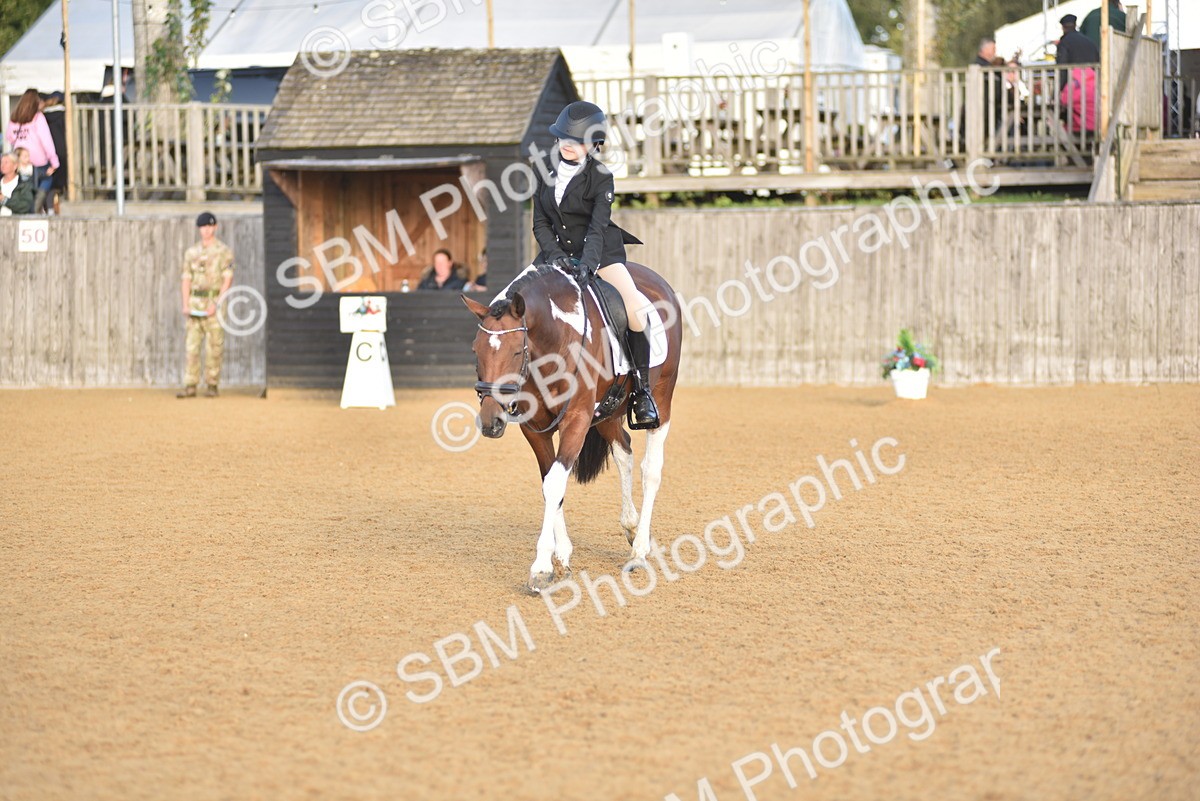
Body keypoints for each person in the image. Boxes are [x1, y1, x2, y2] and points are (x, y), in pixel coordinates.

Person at [530, 101, 658, 429]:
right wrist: (556, 256)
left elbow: (597, 228)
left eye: (579, 140)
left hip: (600, 256)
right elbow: (540, 221)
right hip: (553, 254)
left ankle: (642, 392)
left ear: (594, 144)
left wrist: (587, 265)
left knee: (634, 310)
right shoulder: (541, 168)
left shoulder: (601, 178)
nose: (569, 144)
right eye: (564, 138)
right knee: (510, 303)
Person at [177, 212, 235, 398]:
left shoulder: (223, 251)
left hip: (213, 303)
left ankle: (212, 385)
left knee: (214, 347)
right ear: (199, 229)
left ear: (215, 227)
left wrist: (216, 304)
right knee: (191, 346)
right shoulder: (191, 252)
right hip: (195, 303)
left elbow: (228, 279)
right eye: (203, 227)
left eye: (209, 226)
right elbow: (186, 279)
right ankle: (190, 384)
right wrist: (185, 303)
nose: (206, 230)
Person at [5, 89, 59, 216]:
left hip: (21, 160)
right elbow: (46, 141)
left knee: (25, 188)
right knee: (47, 179)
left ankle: (28, 209)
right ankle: (36, 206)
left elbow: (9, 137)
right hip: (39, 160)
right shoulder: (37, 117)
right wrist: (54, 162)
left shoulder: (14, 117)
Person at [41, 92, 67, 214]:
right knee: (59, 186)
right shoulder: (64, 115)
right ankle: (53, 208)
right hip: (62, 152)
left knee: (48, 185)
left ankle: (48, 208)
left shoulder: (42, 117)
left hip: (47, 154)